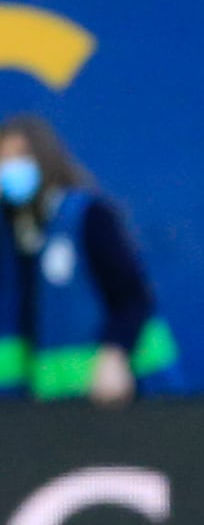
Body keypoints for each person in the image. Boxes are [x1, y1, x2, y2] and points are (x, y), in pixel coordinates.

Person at [0, 115, 180, 404]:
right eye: (3, 159)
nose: (10, 168)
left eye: (21, 156)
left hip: (125, 392)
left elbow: (133, 297)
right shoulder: (15, 231)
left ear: (46, 158)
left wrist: (114, 355)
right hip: (56, 403)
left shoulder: (88, 216)